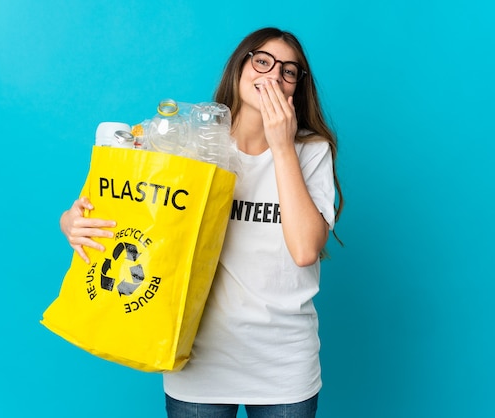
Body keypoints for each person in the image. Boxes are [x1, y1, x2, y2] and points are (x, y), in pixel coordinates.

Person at [60, 27, 344, 418]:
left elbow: (304, 249)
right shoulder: (187, 143)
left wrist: (282, 146)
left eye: (288, 71)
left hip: (284, 365)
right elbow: (130, 212)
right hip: (196, 359)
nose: (274, 76)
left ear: (297, 88)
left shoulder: (312, 151)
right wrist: (71, 220)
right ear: (239, 66)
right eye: (263, 61)